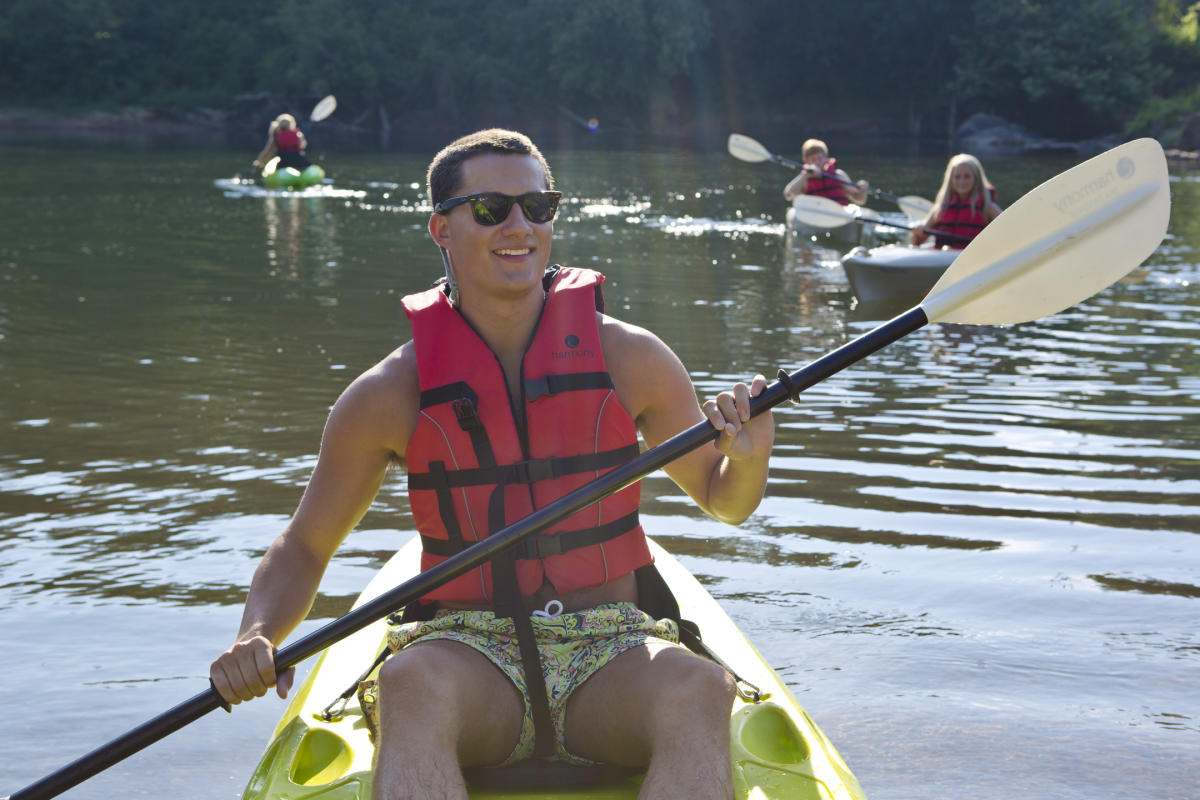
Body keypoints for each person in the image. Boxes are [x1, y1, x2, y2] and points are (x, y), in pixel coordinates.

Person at [210, 128, 775, 800]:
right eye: (491, 210)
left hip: (613, 649)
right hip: (467, 653)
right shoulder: (388, 393)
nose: (520, 226)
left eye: (538, 208)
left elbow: (725, 499)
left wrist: (748, 455)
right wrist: (258, 633)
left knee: (699, 686)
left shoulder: (632, 357)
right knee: (407, 681)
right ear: (441, 229)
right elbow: (305, 543)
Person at [911, 153, 1002, 249]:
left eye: (967, 176)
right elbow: (916, 243)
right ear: (950, 180)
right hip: (941, 256)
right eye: (957, 177)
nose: (961, 181)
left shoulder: (988, 207)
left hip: (972, 258)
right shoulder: (940, 208)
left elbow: (1006, 232)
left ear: (976, 179)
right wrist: (917, 232)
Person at [782, 138, 869, 205]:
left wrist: (863, 191)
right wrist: (805, 175)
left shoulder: (838, 175)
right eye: (813, 159)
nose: (816, 162)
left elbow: (860, 200)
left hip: (839, 216)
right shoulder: (804, 179)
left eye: (819, 158)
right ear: (806, 161)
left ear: (825, 158)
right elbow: (788, 195)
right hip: (816, 216)